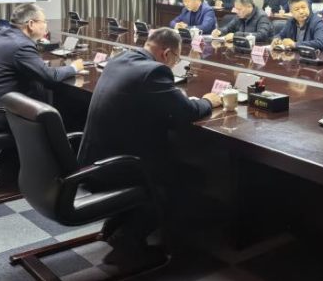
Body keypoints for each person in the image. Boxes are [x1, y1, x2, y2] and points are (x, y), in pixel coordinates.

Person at [78, 28, 221, 265]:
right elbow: (187, 111)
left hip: (92, 158)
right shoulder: (154, 71)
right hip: (118, 167)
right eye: (177, 59)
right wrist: (208, 101)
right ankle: (131, 236)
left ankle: (116, 226)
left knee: (172, 164)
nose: (175, 64)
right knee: (190, 177)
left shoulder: (120, 59)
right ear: (167, 53)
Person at [0, 4, 82, 182]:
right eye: (44, 22)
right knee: (57, 118)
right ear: (31, 24)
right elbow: (49, 77)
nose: (46, 26)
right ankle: (63, 176)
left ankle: (6, 167)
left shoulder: (4, 34)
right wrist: (74, 67)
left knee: (46, 104)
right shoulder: (21, 45)